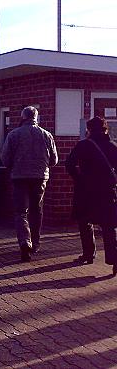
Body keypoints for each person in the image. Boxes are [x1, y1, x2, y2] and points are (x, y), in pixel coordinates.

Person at [1, 106, 58, 262]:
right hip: (40, 177)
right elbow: (54, 160)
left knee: (21, 211)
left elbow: (5, 159)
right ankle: (36, 242)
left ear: (23, 117)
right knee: (36, 210)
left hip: (19, 176)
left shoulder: (13, 135)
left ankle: (25, 241)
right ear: (36, 117)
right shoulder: (47, 135)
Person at [66, 117, 117, 275]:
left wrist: (79, 178)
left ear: (89, 130)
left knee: (85, 222)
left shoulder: (83, 145)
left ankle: (89, 254)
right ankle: (114, 259)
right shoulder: (112, 146)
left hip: (86, 190)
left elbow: (69, 164)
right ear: (105, 129)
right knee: (108, 226)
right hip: (107, 191)